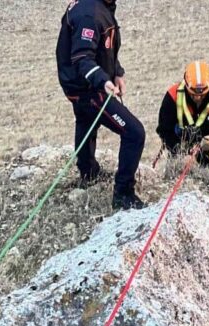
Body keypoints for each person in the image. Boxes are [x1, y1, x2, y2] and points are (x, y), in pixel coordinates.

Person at [56, 0, 146, 210]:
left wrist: (116, 72)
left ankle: (88, 173)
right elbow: (83, 58)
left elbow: (103, 46)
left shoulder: (99, 6)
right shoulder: (90, 14)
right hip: (88, 89)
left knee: (86, 122)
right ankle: (123, 194)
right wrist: (102, 80)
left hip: (79, 86)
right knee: (134, 133)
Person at [156, 61, 209, 175]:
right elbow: (164, 131)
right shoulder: (172, 97)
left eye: (202, 94)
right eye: (193, 94)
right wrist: (181, 153)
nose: (198, 97)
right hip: (180, 155)